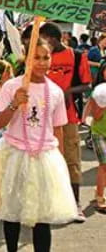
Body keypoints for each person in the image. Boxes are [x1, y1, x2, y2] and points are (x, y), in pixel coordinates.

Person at [0, 39, 77, 252]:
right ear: (26, 58)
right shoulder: (13, 86)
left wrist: (61, 166)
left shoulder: (56, 91)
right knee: (12, 210)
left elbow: (57, 130)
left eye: (45, 57)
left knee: (42, 215)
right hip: (14, 153)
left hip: (44, 157)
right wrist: (14, 104)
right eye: (35, 57)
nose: (41, 62)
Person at [40, 22, 91, 223]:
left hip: (68, 116)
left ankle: (75, 204)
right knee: (43, 160)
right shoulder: (40, 57)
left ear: (53, 39)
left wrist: (66, 93)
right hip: (42, 116)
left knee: (71, 159)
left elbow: (86, 84)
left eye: (45, 40)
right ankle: (48, 203)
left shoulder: (77, 56)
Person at [88, 62, 106, 211]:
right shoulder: (98, 92)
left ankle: (98, 191)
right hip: (98, 132)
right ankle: (100, 197)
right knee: (104, 164)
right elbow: (96, 116)